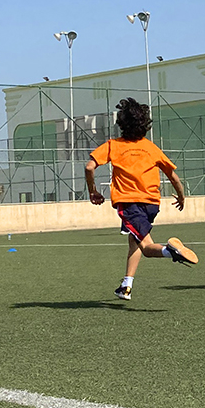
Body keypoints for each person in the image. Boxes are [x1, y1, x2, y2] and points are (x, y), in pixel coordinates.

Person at [85, 97, 197, 301]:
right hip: (152, 204)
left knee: (146, 248)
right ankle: (126, 286)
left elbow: (89, 167)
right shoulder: (151, 148)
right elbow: (173, 176)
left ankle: (171, 251)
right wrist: (182, 197)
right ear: (145, 124)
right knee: (134, 241)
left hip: (130, 204)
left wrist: (93, 191)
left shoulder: (113, 145)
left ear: (121, 124)